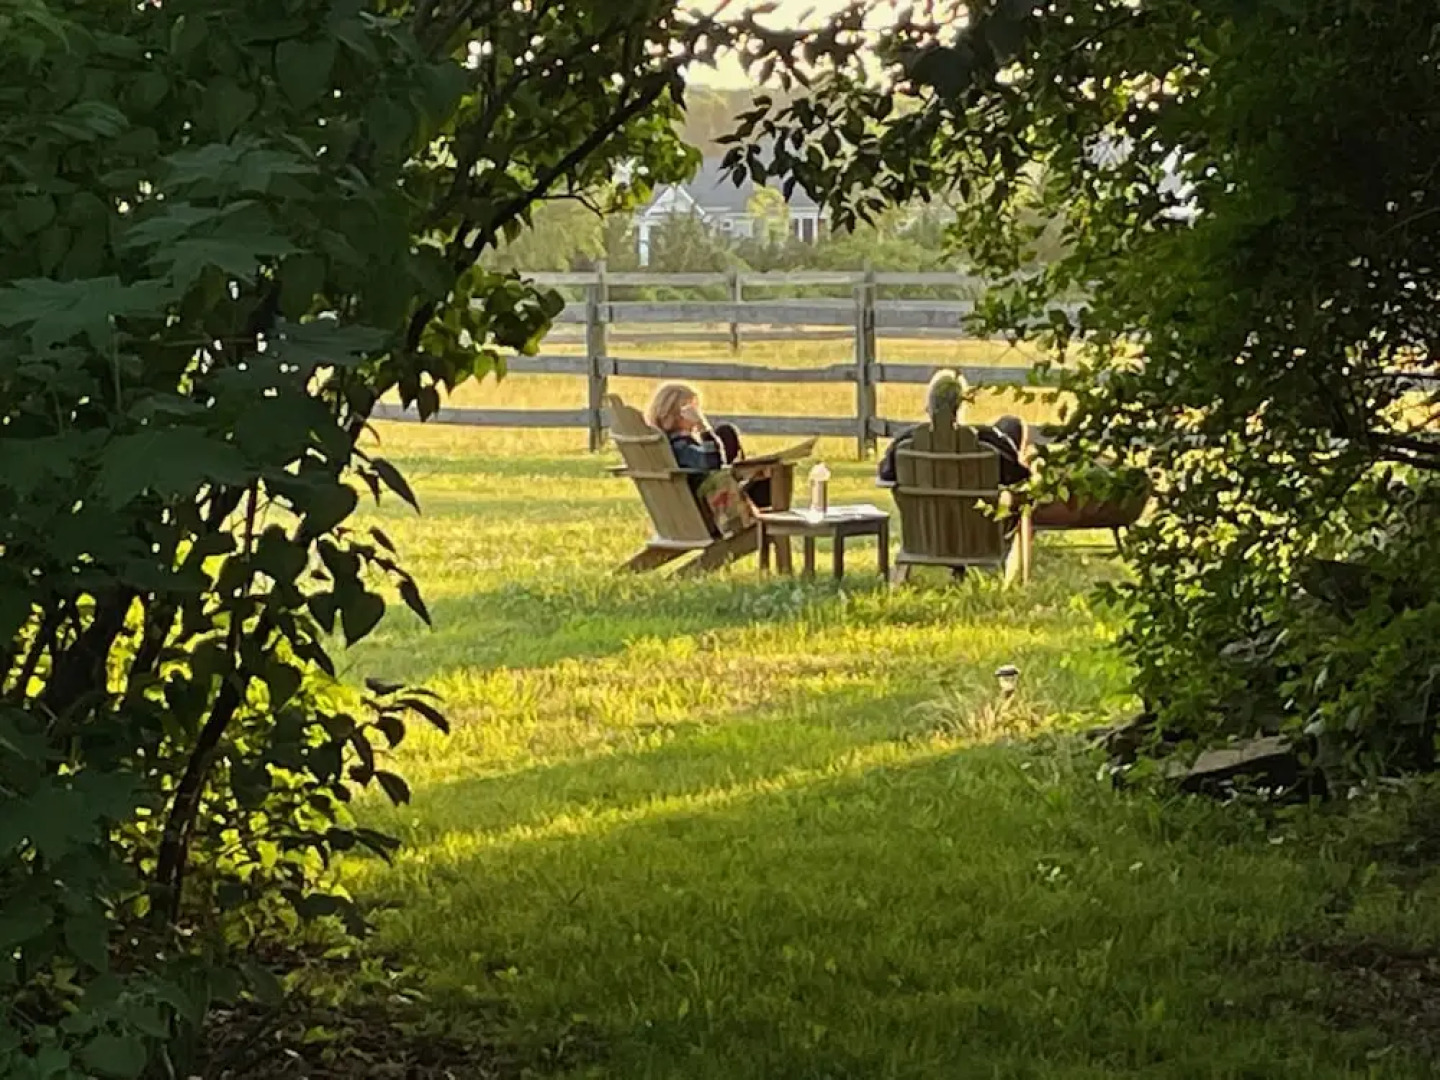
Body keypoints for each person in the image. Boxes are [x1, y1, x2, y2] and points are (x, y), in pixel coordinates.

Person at [877, 370, 1030, 487]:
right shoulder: (988, 442)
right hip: (979, 526)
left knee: (1009, 423)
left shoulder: (906, 443)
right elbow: (1019, 475)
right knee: (1010, 424)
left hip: (925, 525)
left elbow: (885, 473)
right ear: (961, 405)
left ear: (929, 406)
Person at [645, 382, 772, 508]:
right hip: (714, 508)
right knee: (768, 477)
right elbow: (714, 462)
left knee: (726, 432)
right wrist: (703, 426)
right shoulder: (681, 446)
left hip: (704, 499)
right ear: (679, 414)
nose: (697, 413)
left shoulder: (666, 443)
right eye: (692, 409)